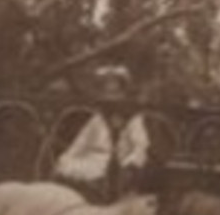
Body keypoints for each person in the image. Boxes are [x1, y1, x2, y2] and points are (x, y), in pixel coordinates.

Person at [54, 64, 152, 202]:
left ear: (123, 95)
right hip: (92, 159)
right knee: (67, 168)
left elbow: (141, 145)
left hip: (116, 162)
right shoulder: (97, 118)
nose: (111, 99)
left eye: (115, 94)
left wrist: (131, 163)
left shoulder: (132, 117)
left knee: (111, 175)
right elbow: (80, 143)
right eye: (107, 94)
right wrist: (67, 158)